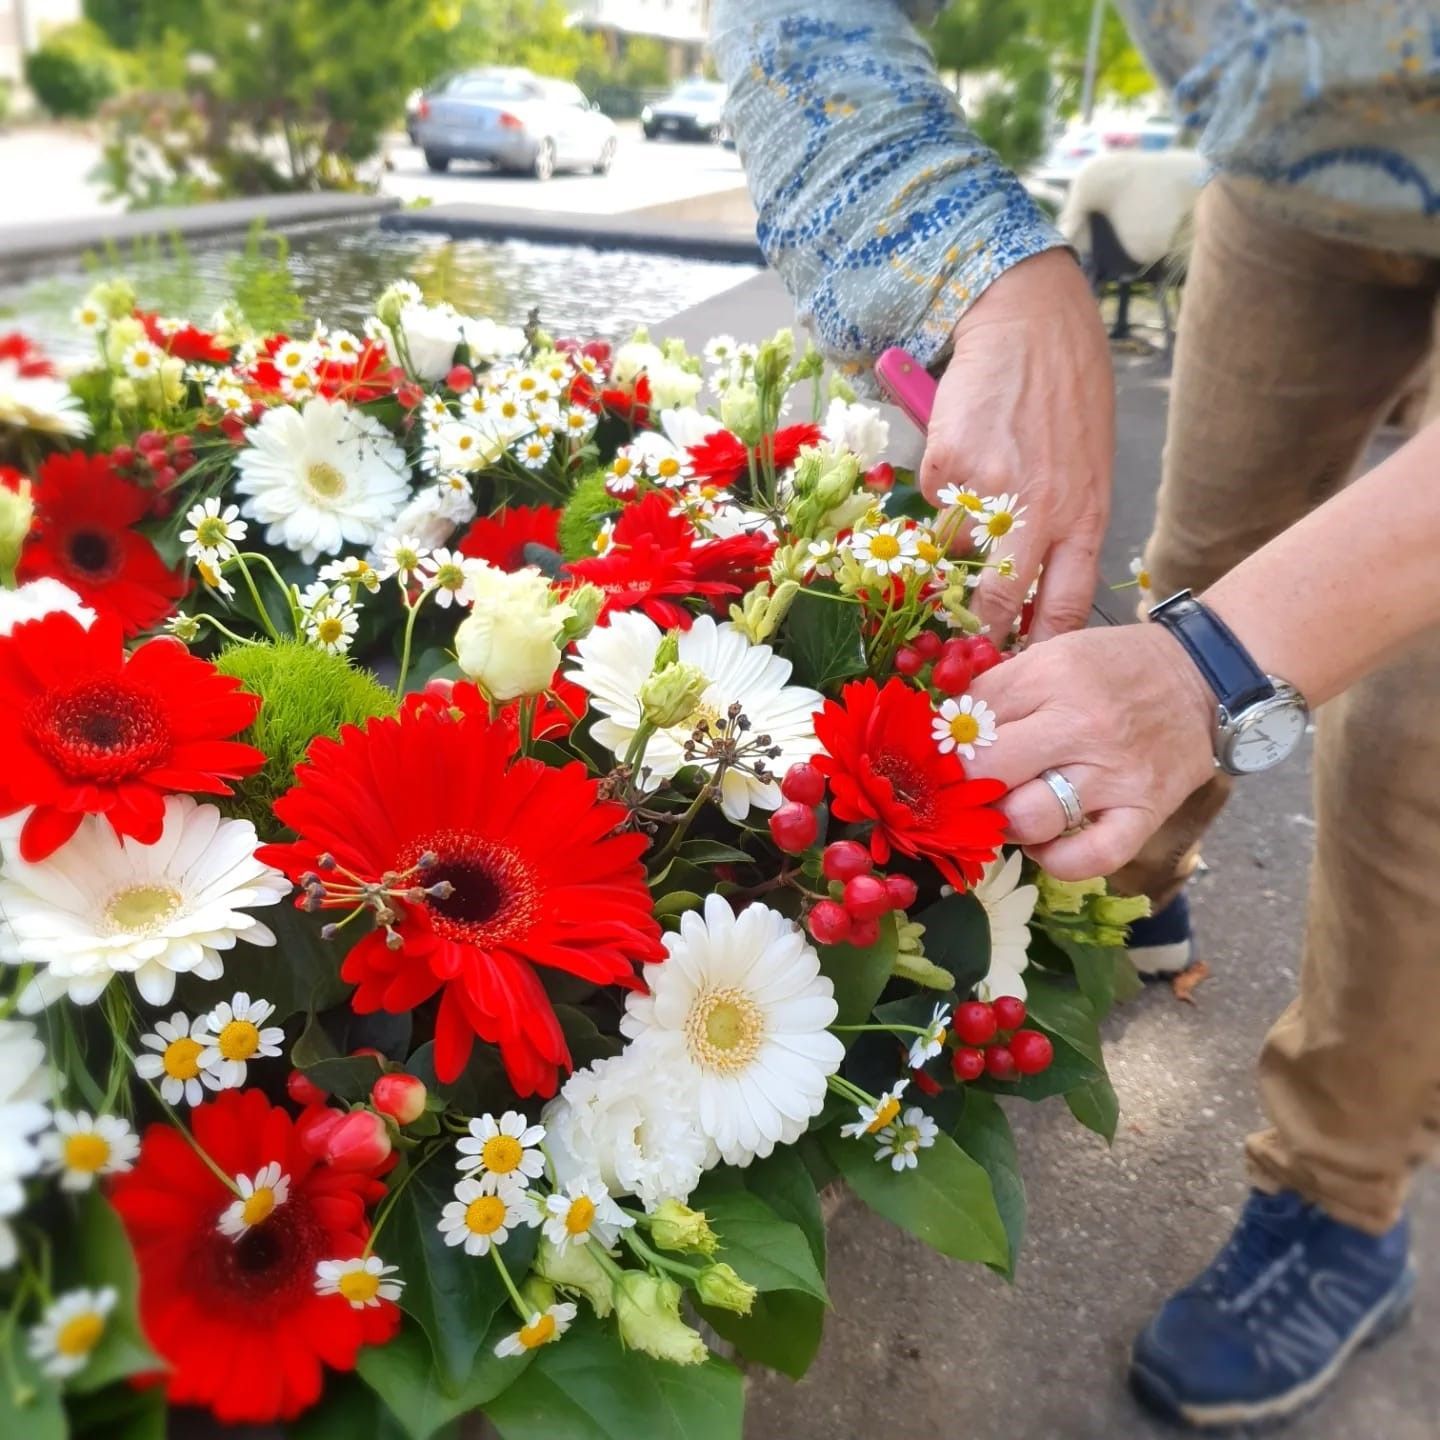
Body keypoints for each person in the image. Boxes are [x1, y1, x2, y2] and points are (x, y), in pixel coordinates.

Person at [712, 0, 1440, 1430]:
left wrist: (1219, 673)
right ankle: (1132, 899)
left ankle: (1341, 1200)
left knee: (1408, 746)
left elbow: (1245, 655)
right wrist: (982, 265)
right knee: (1190, 566)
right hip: (1290, 188)